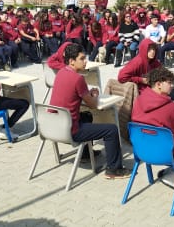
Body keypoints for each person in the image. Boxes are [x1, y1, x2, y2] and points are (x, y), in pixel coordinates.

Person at [49, 44, 129, 178]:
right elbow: (92, 105)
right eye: (82, 58)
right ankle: (114, 169)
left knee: (86, 116)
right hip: (70, 131)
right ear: (71, 61)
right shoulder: (78, 78)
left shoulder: (61, 73)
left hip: (54, 126)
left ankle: (85, 154)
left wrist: (87, 94)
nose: (85, 61)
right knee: (111, 130)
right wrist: (95, 95)